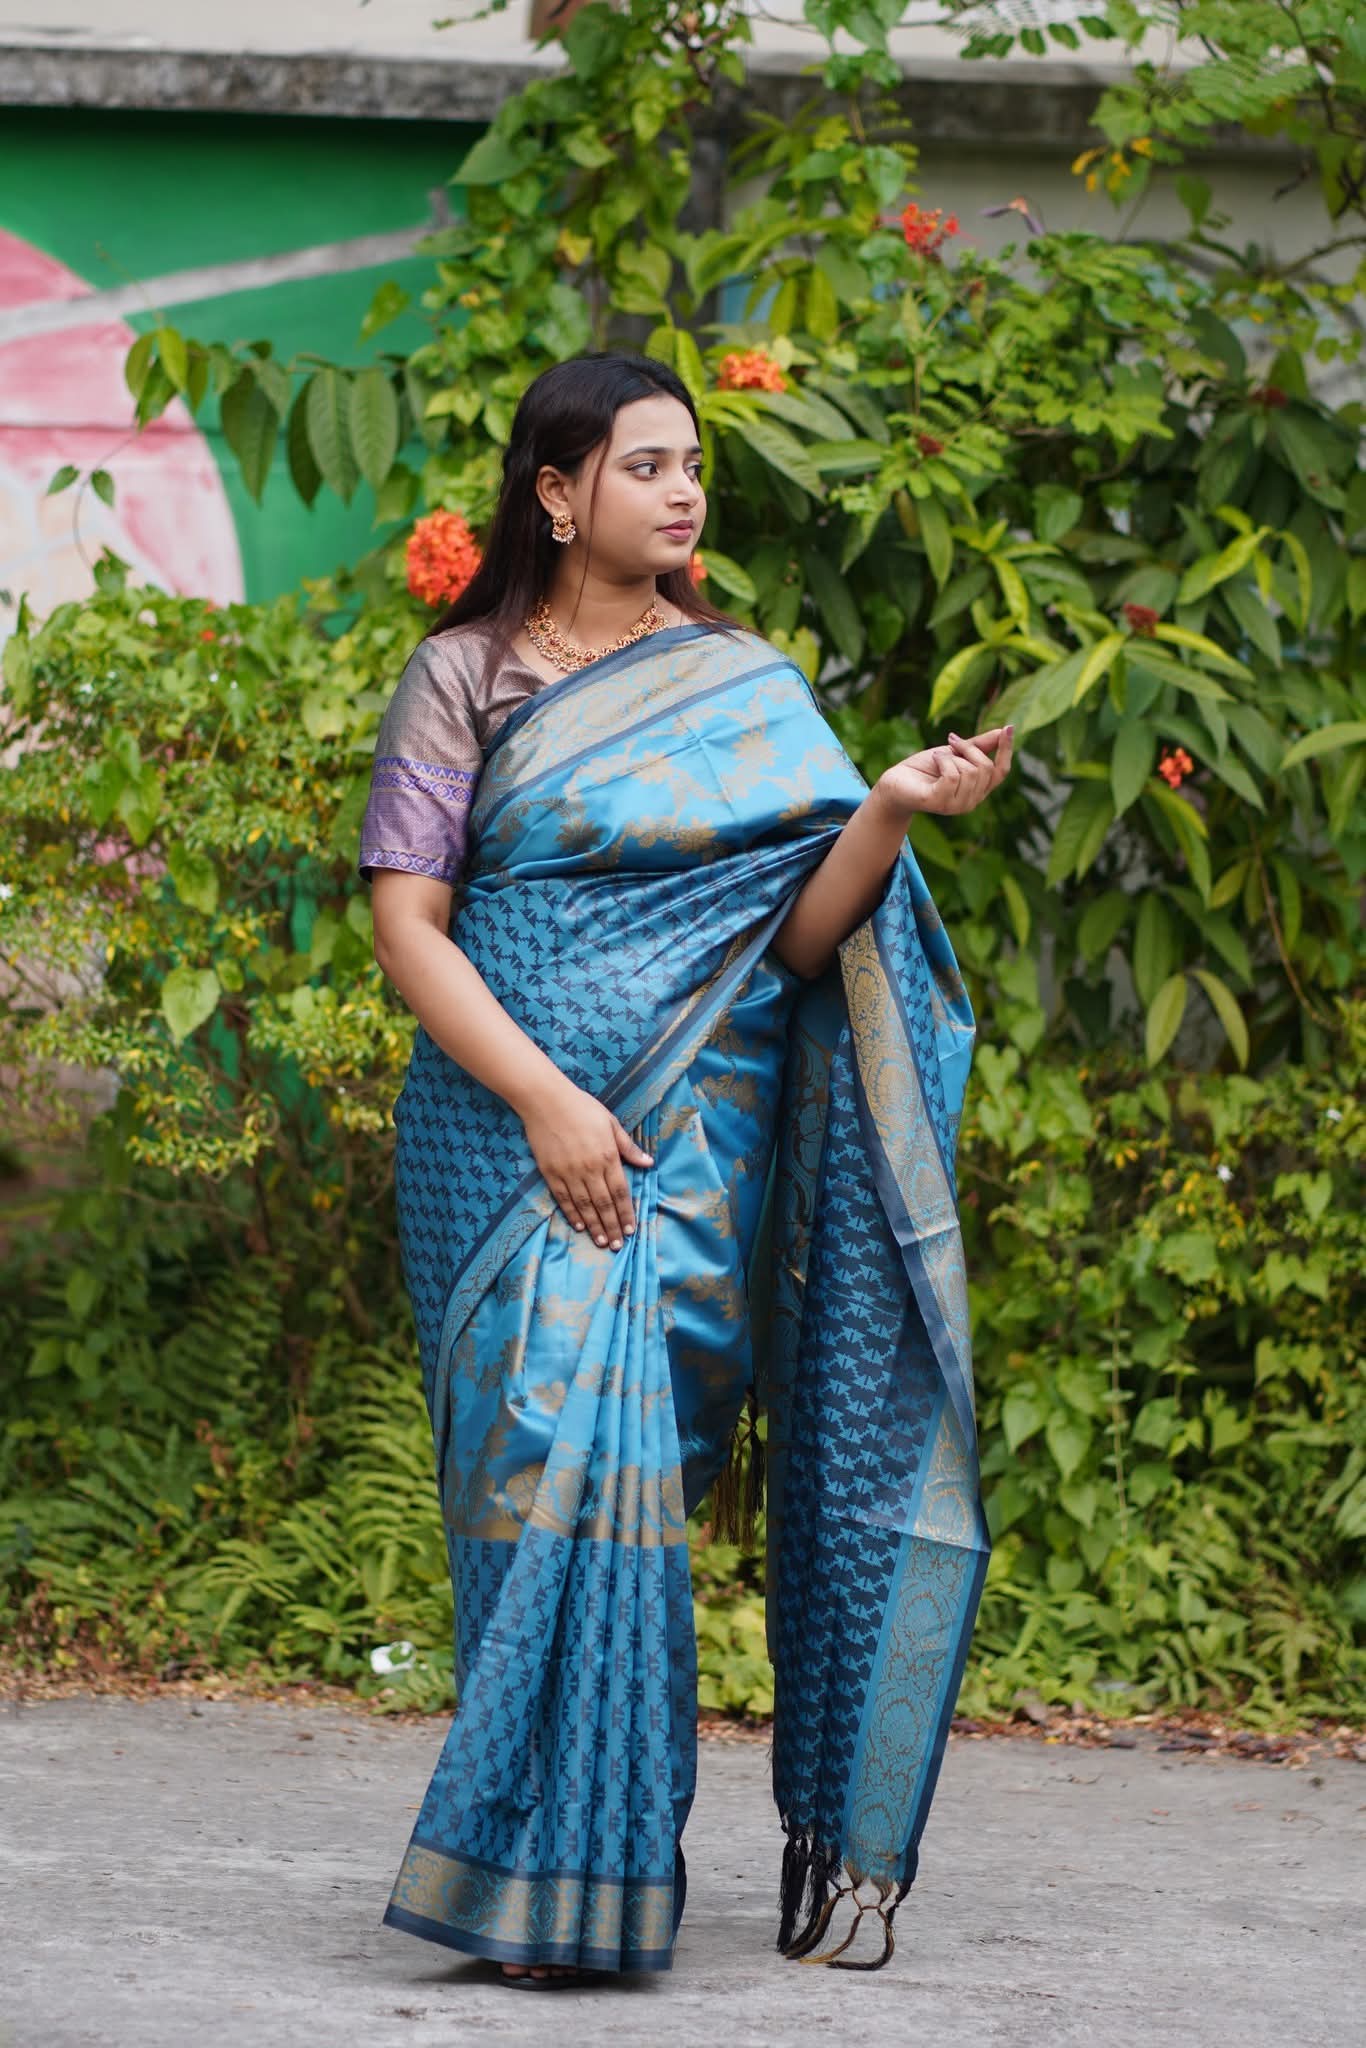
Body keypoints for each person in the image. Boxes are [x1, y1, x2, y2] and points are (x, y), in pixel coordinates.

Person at [358, 350, 1013, 1987]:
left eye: (691, 463)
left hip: (689, 1153)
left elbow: (791, 946)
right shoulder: (463, 675)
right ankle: (532, 1876)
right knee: (532, 1483)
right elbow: (408, 925)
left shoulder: (743, 683)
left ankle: (592, 1884)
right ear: (555, 491)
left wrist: (886, 810)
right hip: (503, 1145)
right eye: (643, 464)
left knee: (634, 1495)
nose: (680, 491)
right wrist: (546, 1101)